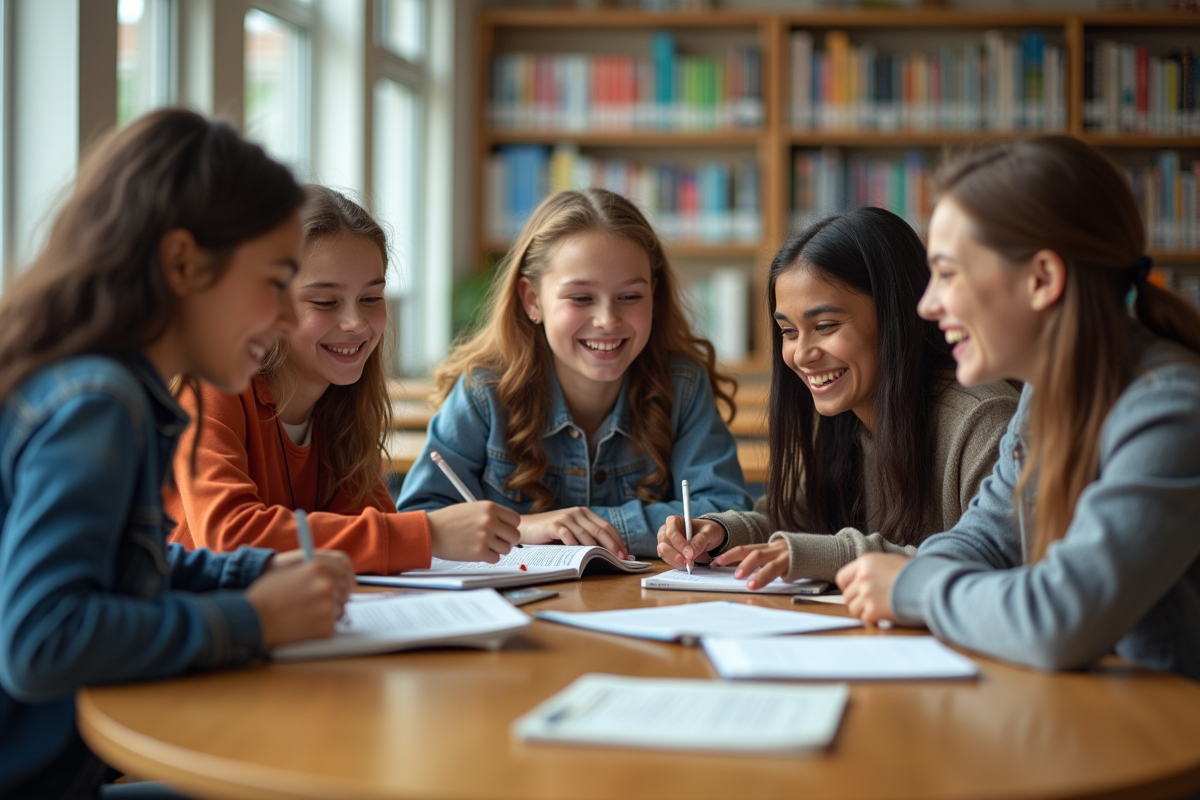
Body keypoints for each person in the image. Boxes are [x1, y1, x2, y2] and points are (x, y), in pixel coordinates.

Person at [0, 110, 356, 799]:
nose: (286, 318)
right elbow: (43, 641)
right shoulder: (97, 404)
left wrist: (250, 571)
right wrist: (256, 619)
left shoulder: (97, 385)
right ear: (183, 263)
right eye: (275, 280)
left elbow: (127, 571)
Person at [837, 136, 1200, 682]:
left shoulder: (1171, 408)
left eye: (949, 272)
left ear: (1042, 280)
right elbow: (983, 538)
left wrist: (910, 585)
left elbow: (1062, 618)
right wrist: (926, 576)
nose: (927, 304)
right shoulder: (1046, 391)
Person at [657, 207, 1018, 587]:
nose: (801, 354)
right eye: (789, 332)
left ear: (896, 315)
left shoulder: (983, 421)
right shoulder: (843, 411)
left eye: (825, 326)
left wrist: (829, 554)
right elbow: (796, 523)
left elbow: (993, 566)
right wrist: (721, 534)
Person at [165, 186, 520, 573]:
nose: (356, 322)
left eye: (371, 298)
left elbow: (369, 532)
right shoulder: (209, 387)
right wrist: (428, 533)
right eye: (324, 302)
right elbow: (229, 537)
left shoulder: (341, 405)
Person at [397, 188, 752, 558]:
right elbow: (419, 522)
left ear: (654, 296)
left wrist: (579, 527)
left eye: (630, 297)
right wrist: (527, 527)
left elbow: (726, 515)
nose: (607, 320)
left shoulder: (683, 385)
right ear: (533, 300)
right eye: (581, 298)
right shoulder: (485, 390)